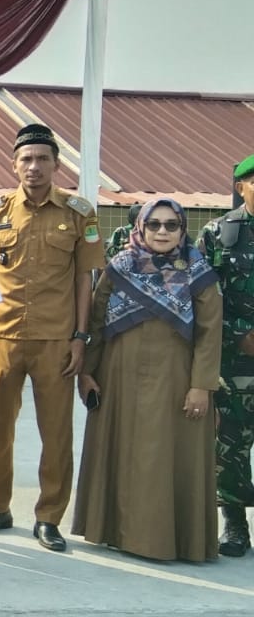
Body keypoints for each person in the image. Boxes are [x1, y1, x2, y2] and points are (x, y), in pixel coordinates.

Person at [0, 123, 104, 552]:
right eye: (26, 159)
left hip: (56, 339)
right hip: (3, 335)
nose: (34, 166)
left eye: (43, 159)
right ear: (14, 164)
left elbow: (86, 279)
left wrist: (81, 337)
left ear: (56, 165)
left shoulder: (79, 213)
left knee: (56, 431)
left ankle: (49, 516)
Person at [73, 198, 221, 562]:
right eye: (154, 224)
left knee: (164, 456)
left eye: (171, 225)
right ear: (140, 227)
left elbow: (209, 331)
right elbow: (96, 321)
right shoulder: (120, 267)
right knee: (125, 452)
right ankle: (119, 534)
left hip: (177, 378)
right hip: (119, 374)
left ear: (183, 230)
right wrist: (87, 373)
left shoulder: (198, 271)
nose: (162, 232)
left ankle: (169, 541)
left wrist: (201, 385)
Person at [197, 154, 254, 558]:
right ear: (241, 187)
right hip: (236, 363)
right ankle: (235, 526)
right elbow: (203, 297)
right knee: (230, 448)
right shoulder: (217, 233)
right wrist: (241, 336)